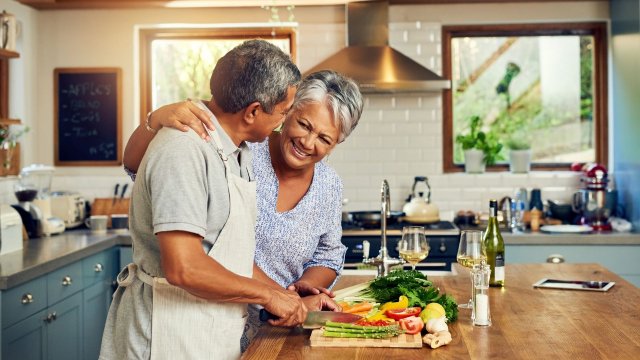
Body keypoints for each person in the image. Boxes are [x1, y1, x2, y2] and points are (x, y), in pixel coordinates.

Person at [123, 69, 364, 351]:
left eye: (325, 139)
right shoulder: (243, 148)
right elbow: (138, 164)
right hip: (206, 314)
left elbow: (328, 252)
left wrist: (296, 293)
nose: (308, 143)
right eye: (304, 125)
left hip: (281, 322)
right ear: (288, 111)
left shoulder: (329, 184)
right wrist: (155, 120)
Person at [99, 40, 309, 360]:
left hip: (205, 331)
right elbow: (184, 268)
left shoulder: (239, 152)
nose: (282, 123)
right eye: (281, 113)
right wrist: (267, 296)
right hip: (165, 335)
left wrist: (285, 294)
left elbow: (226, 255)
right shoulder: (183, 149)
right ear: (253, 111)